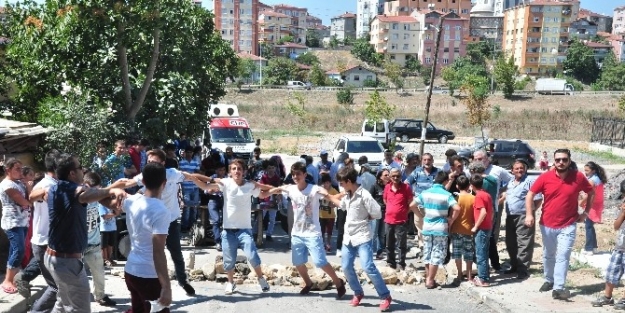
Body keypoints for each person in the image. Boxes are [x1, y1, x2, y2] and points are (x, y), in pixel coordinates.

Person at [37, 153, 126, 312]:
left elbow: (93, 196)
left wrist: (111, 196)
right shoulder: (72, 190)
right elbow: (88, 194)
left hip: (56, 258)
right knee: (80, 308)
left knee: (62, 304)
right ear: (72, 173)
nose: (83, 171)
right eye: (80, 168)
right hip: (66, 261)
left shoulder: (56, 188)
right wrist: (113, 188)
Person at [115, 149, 202, 295]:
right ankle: (152, 282)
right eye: (148, 162)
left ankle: (183, 281)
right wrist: (106, 190)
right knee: (152, 252)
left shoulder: (172, 174)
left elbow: (191, 176)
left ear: (163, 163)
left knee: (176, 254)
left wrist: (211, 181)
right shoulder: (145, 175)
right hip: (153, 220)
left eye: (154, 162)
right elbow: (127, 183)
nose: (151, 165)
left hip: (171, 221)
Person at [191, 159, 272, 295]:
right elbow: (206, 187)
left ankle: (261, 279)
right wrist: (192, 178)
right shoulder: (226, 183)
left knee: (252, 255)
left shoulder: (249, 185)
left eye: (239, 169)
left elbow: (263, 194)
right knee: (229, 260)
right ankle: (230, 283)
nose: (236, 171)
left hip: (244, 230)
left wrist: (277, 191)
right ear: (230, 172)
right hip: (228, 230)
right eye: (234, 169)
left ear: (244, 171)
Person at [267, 162, 346, 297]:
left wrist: (341, 198)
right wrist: (260, 191)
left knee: (320, 261)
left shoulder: (314, 189)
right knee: (297, 262)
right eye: (293, 174)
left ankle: (338, 282)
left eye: (298, 173)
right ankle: (308, 283)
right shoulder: (291, 189)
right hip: (297, 233)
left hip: (312, 232)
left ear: (304, 174)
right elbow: (276, 189)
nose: (295, 176)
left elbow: (328, 195)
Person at [525, 149, 594, 300]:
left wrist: (586, 212)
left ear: (569, 161)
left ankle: (559, 287)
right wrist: (530, 214)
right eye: (558, 160)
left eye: (564, 159)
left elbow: (591, 192)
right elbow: (530, 194)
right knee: (549, 254)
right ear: (553, 161)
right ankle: (549, 280)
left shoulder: (578, 177)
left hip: (568, 224)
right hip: (547, 223)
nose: (561, 162)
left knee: (563, 255)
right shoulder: (545, 177)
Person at [323, 167, 392, 311]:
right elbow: (341, 205)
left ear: (348, 181)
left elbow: (378, 213)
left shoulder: (364, 195)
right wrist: (327, 196)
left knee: (368, 266)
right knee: (346, 267)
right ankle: (358, 292)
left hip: (363, 236)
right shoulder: (348, 195)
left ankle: (385, 296)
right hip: (349, 237)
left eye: (342, 183)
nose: (341, 186)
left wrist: (368, 217)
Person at [122, 162, 172, 313]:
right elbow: (158, 251)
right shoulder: (161, 211)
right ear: (164, 183)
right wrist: (166, 286)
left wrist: (108, 191)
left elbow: (109, 201)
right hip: (148, 275)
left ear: (142, 181)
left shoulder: (131, 201)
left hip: (131, 270)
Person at [17, 150, 60, 310]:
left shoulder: (51, 184)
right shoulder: (48, 185)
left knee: (58, 287)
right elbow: (33, 196)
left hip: (46, 241)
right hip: (46, 242)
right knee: (57, 287)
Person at [412, 170, 460, 289]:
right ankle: (430, 280)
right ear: (445, 181)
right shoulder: (446, 194)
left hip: (427, 227)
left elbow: (412, 205)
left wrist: (422, 215)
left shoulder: (425, 193)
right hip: (440, 228)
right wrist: (451, 219)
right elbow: (457, 208)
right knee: (437, 254)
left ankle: (428, 278)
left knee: (427, 252)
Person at [504, 160, 542, 280]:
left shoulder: (530, 181)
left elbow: (538, 199)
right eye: (517, 169)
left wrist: (530, 213)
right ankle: (514, 266)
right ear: (512, 170)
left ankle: (523, 270)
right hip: (510, 216)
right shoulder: (510, 182)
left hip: (523, 216)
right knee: (511, 243)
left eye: (521, 168)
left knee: (524, 243)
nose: (519, 170)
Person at [83, 172, 117, 307]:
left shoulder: (98, 198)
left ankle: (100, 296)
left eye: (97, 190)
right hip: (79, 244)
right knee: (77, 277)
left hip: (94, 242)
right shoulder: (79, 198)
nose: (95, 193)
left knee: (99, 272)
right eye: (93, 190)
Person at [591, 181, 625, 309]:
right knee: (612, 272)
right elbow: (616, 227)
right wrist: (622, 214)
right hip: (620, 247)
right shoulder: (622, 210)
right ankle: (607, 297)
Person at [0, 159, 31, 294]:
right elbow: (24, 201)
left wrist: (28, 187)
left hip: (22, 221)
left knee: (15, 250)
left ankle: (11, 278)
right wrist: (29, 200)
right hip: (12, 222)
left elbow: (28, 199)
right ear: (8, 170)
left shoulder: (18, 183)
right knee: (19, 250)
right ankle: (7, 280)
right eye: (17, 169)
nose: (20, 172)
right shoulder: (6, 184)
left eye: (21, 168)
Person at [405, 153, 439, 246]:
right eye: (424, 160)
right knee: (420, 225)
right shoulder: (417, 171)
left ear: (432, 161)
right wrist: (411, 195)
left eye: (429, 160)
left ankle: (430, 244)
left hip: (433, 205)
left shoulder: (438, 172)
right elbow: (407, 183)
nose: (427, 162)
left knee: (432, 225)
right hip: (419, 204)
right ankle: (422, 245)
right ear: (422, 161)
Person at [383, 168, 413, 271]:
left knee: (401, 244)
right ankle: (391, 263)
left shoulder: (406, 187)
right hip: (388, 220)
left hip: (401, 221)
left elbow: (411, 203)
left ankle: (401, 264)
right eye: (393, 176)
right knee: (388, 243)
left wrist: (404, 212)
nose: (396, 178)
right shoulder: (387, 187)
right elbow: (385, 200)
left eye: (398, 176)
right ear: (390, 177)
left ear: (401, 176)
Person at [449, 176, 475, 287]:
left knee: (457, 253)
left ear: (457, 186)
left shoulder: (455, 199)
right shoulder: (473, 198)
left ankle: (459, 274)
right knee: (469, 254)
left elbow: (452, 215)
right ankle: (469, 275)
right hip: (469, 230)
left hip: (456, 229)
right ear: (469, 185)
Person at [470, 174, 493, 287]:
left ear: (472, 186)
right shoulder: (487, 195)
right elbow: (490, 211)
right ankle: (484, 275)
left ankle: (483, 279)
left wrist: (475, 226)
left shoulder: (479, 196)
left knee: (480, 254)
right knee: (484, 252)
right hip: (487, 226)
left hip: (482, 228)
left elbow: (483, 212)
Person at [582, 161, 608, 255]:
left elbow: (589, 195)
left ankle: (589, 248)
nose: (585, 172)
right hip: (597, 204)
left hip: (592, 206)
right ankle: (594, 247)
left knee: (588, 226)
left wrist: (581, 203)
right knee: (590, 226)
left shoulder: (592, 181)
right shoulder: (598, 178)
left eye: (587, 170)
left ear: (593, 170)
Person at [179, 146, 201, 233]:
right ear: (185, 153)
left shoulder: (195, 162)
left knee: (194, 207)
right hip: (185, 187)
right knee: (187, 207)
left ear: (192, 153)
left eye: (190, 152)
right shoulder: (181, 163)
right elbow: (181, 175)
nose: (189, 154)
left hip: (195, 187)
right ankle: (185, 226)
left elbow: (198, 173)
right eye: (187, 152)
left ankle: (192, 225)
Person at [259, 161, 282, 242]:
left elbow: (279, 190)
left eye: (272, 168)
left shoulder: (277, 178)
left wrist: (277, 199)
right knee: (260, 217)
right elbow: (261, 188)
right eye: (269, 168)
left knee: (272, 219)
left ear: (275, 169)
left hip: (274, 200)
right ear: (267, 169)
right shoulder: (264, 177)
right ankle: (256, 233)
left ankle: (269, 234)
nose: (271, 170)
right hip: (265, 199)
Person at [207, 163, 227, 251]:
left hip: (224, 199)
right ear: (216, 170)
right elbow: (206, 191)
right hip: (213, 199)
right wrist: (212, 189)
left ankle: (226, 241)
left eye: (223, 170)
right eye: (219, 170)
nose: (221, 172)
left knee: (226, 221)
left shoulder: (228, 179)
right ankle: (218, 241)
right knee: (216, 220)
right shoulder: (212, 178)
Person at [372, 169, 390, 259]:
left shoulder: (390, 187)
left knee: (382, 233)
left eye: (388, 175)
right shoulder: (375, 186)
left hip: (385, 212)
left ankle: (380, 252)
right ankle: (370, 252)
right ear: (380, 177)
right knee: (373, 233)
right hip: (375, 213)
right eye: (386, 175)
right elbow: (369, 199)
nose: (388, 176)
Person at [319, 173, 338, 252]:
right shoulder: (320, 190)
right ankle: (322, 243)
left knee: (329, 231)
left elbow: (339, 200)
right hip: (321, 215)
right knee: (321, 231)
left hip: (330, 215)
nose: (326, 184)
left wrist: (333, 204)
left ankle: (328, 243)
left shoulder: (333, 191)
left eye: (327, 183)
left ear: (330, 183)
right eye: (324, 183)